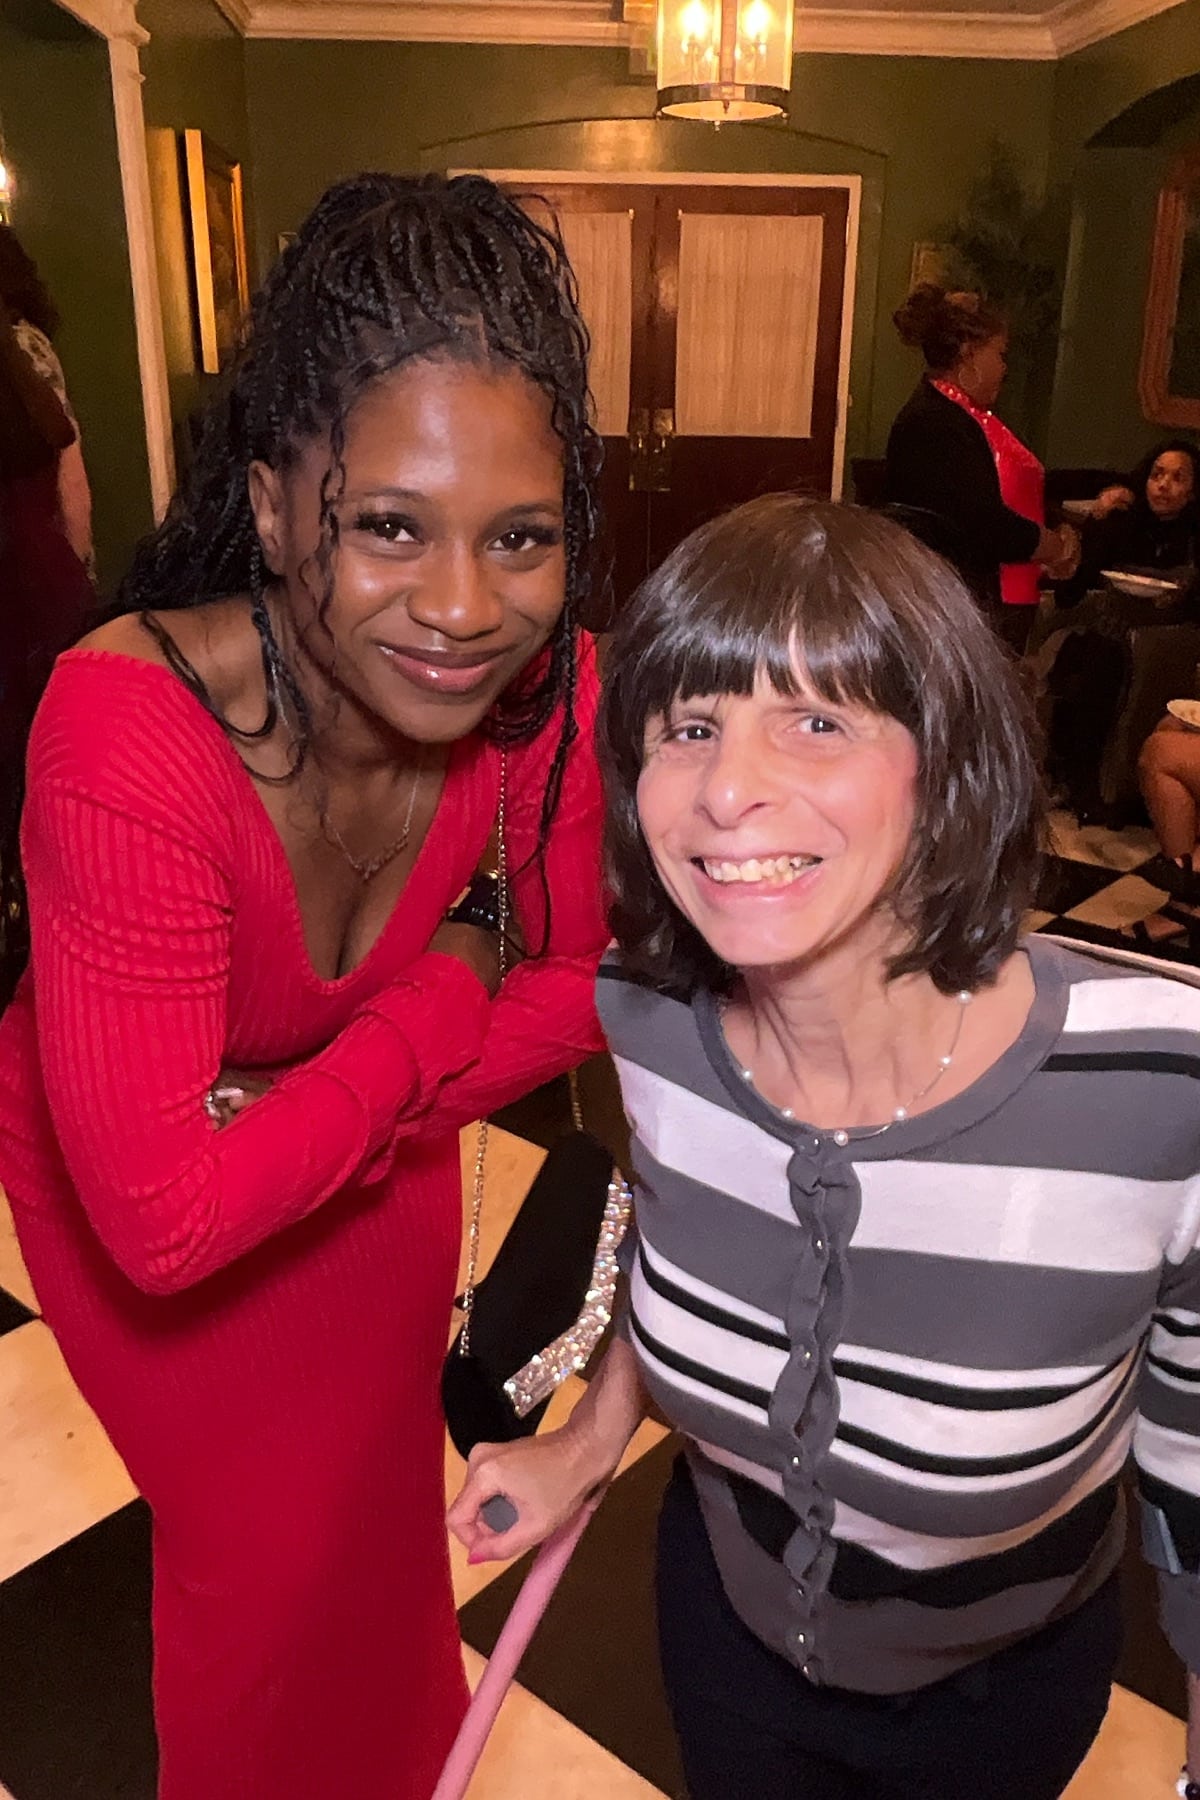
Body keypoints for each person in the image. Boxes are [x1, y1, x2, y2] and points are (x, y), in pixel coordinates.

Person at [0, 172, 609, 1800]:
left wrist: (321, 1100)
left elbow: (588, 984)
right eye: (391, 525)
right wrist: (446, 993)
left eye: (520, 537)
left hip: (364, 1178)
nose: (465, 607)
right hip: (142, 1237)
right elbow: (167, 1218)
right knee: (259, 1580)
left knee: (380, 1542)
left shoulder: (544, 693)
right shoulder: (128, 732)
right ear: (275, 510)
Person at [451, 494, 1200, 1800]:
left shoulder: (1158, 1082)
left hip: (1000, 1702)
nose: (728, 787)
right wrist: (590, 1437)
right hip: (722, 1638)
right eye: (690, 726)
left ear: (944, 761)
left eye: (816, 720)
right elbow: (680, 1241)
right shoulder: (651, 1017)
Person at [885, 283, 1077, 650]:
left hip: (963, 600)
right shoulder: (935, 422)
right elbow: (982, 524)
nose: (1004, 368)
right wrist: (1053, 547)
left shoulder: (957, 415)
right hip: (949, 608)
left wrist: (1055, 533)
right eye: (1000, 354)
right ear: (969, 352)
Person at [1043, 441, 1200, 828]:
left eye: (1177, 478)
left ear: (1193, 491)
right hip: (1108, 631)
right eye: (1157, 475)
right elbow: (1071, 592)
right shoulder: (1126, 522)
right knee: (1088, 656)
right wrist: (1098, 522)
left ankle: (1091, 786)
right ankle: (1072, 781)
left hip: (1164, 642)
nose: (1163, 485)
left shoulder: (1194, 537)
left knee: (1102, 659)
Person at [0, 223, 93, 573]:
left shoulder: (21, 346)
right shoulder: (25, 340)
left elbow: (64, 453)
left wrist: (77, 559)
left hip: (39, 554)